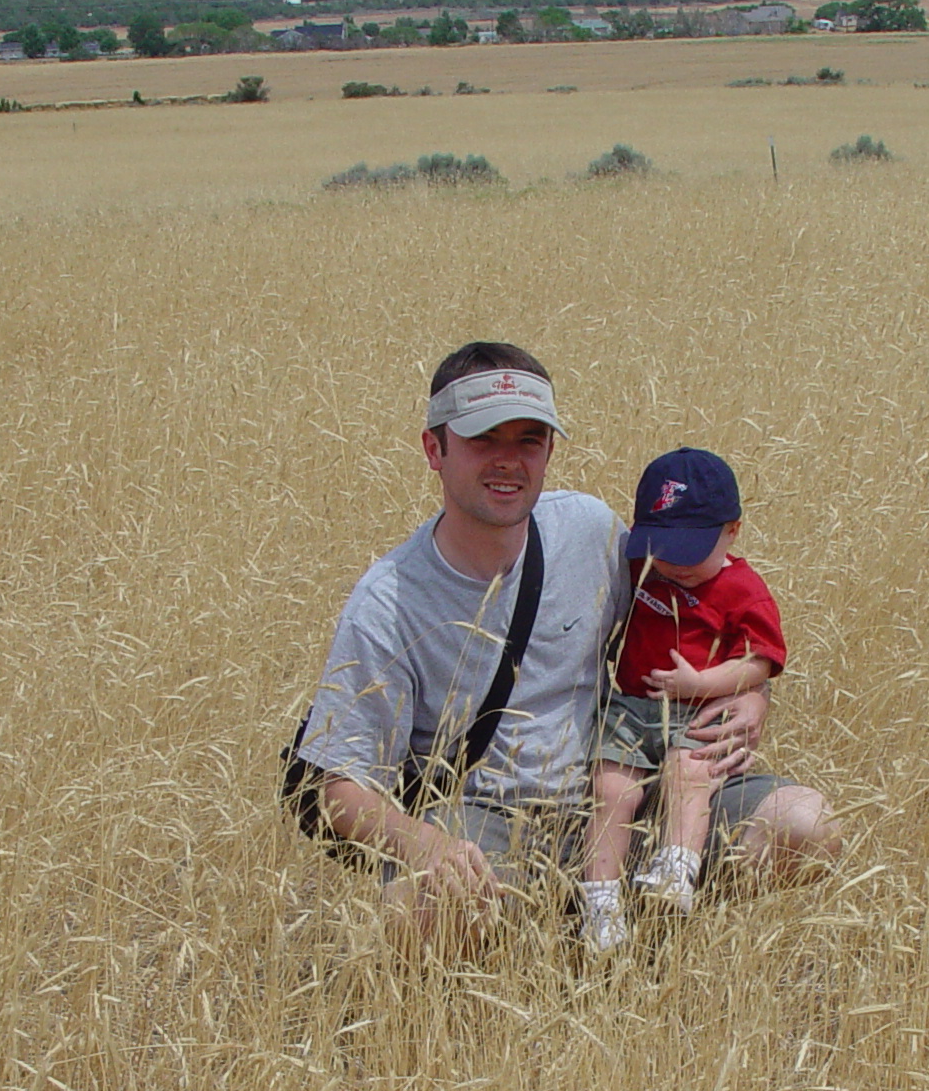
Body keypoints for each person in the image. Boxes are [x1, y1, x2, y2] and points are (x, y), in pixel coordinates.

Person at [290, 341, 837, 941]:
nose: (508, 460)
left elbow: (687, 623)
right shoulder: (387, 603)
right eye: (483, 439)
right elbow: (338, 786)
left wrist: (752, 695)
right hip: (487, 821)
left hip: (624, 790)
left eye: (528, 439)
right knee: (413, 915)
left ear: (550, 449)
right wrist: (430, 846)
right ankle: (539, 944)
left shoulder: (590, 531)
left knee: (807, 828)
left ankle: (643, 943)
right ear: (434, 449)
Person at [576, 447, 786, 953]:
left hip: (697, 711)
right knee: (611, 791)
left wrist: (703, 685)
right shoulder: (645, 567)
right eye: (662, 547)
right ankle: (599, 906)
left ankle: (674, 875)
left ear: (732, 530)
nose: (673, 564)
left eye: (689, 550)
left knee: (687, 774)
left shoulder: (744, 590)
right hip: (630, 707)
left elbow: (761, 660)